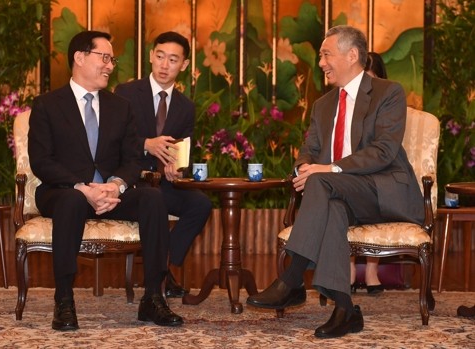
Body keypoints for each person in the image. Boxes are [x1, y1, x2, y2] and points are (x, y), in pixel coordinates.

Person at [246, 25, 424, 339]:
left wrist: (327, 169)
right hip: (342, 193)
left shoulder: (388, 92)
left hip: (383, 190)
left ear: (352, 54)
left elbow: (383, 151)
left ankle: (291, 279)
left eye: (326, 54)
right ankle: (345, 309)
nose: (321, 63)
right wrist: (304, 167)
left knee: (323, 182)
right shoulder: (323, 105)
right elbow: (309, 149)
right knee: (330, 202)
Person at [28, 30, 183, 331]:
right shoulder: (47, 104)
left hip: (110, 193)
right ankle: (64, 301)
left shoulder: (119, 107)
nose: (110, 66)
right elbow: (42, 161)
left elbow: (132, 159)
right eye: (105, 58)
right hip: (64, 193)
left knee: (153, 198)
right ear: (80, 57)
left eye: (112, 60)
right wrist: (82, 187)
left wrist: (116, 185)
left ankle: (153, 296)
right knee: (72, 201)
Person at [115, 31, 212, 298]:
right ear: (151, 56)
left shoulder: (185, 107)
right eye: (159, 56)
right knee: (153, 199)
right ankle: (161, 275)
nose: (164, 65)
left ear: (184, 65)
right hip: (130, 183)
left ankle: (163, 265)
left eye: (172, 59)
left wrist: (178, 167)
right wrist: (147, 143)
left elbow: (184, 149)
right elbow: (112, 140)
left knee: (201, 204)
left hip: (164, 184)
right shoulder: (126, 93)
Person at [350, 51, 388, 295]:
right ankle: (349, 268)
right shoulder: (341, 106)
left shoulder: (389, 104)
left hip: (378, 175)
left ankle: (372, 271)